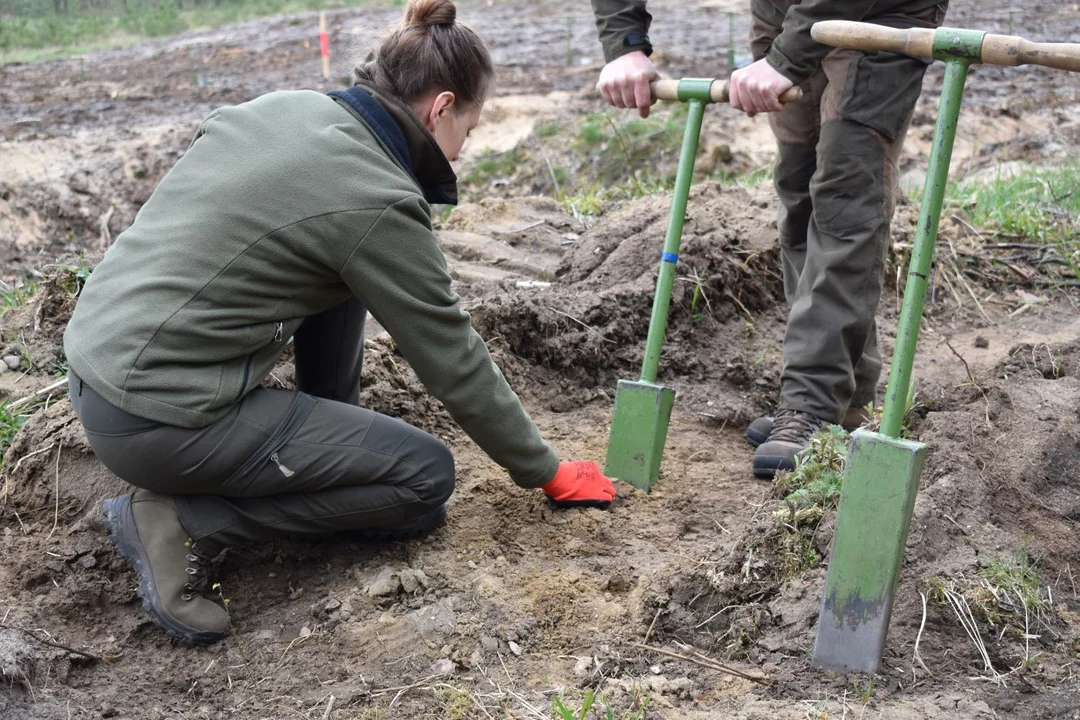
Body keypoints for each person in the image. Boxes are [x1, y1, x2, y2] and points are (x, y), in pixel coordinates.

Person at [64, 0, 616, 647]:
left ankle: (288, 445)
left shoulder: (286, 110)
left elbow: (282, 255)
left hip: (98, 373)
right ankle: (187, 521)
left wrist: (336, 428)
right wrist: (545, 470)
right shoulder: (374, 197)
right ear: (440, 109)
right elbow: (452, 354)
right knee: (423, 481)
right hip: (164, 422)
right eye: (470, 126)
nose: (464, 148)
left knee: (340, 272)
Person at [591, 0, 948, 477]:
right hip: (785, 12)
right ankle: (843, 397)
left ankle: (813, 403)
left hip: (879, 14)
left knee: (845, 194)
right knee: (800, 190)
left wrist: (786, 60)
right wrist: (625, 44)